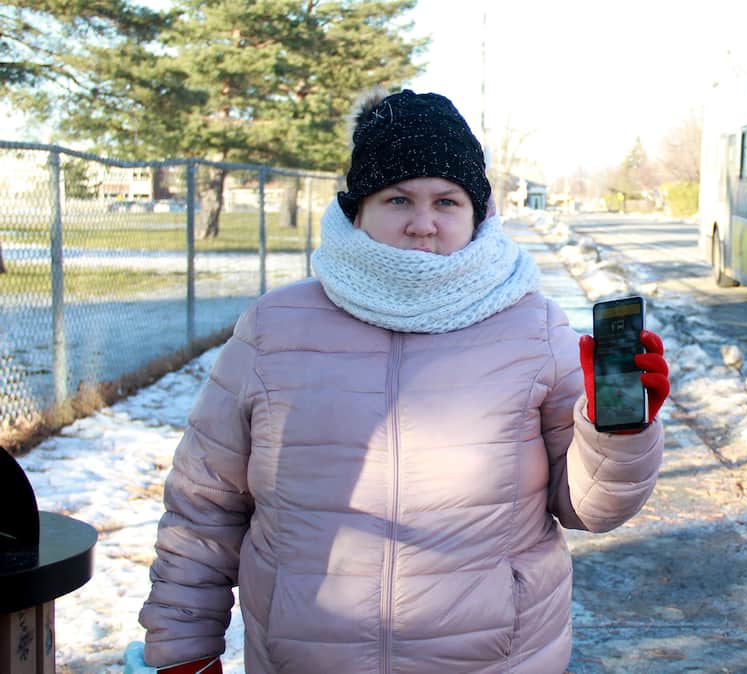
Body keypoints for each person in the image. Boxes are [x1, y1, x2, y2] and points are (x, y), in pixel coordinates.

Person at [127, 88, 670, 674]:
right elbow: (203, 506)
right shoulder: (274, 328)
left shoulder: (533, 326)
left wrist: (617, 436)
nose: (422, 225)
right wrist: (183, 650)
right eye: (398, 199)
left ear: (478, 213)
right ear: (357, 211)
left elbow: (589, 509)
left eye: (447, 201)